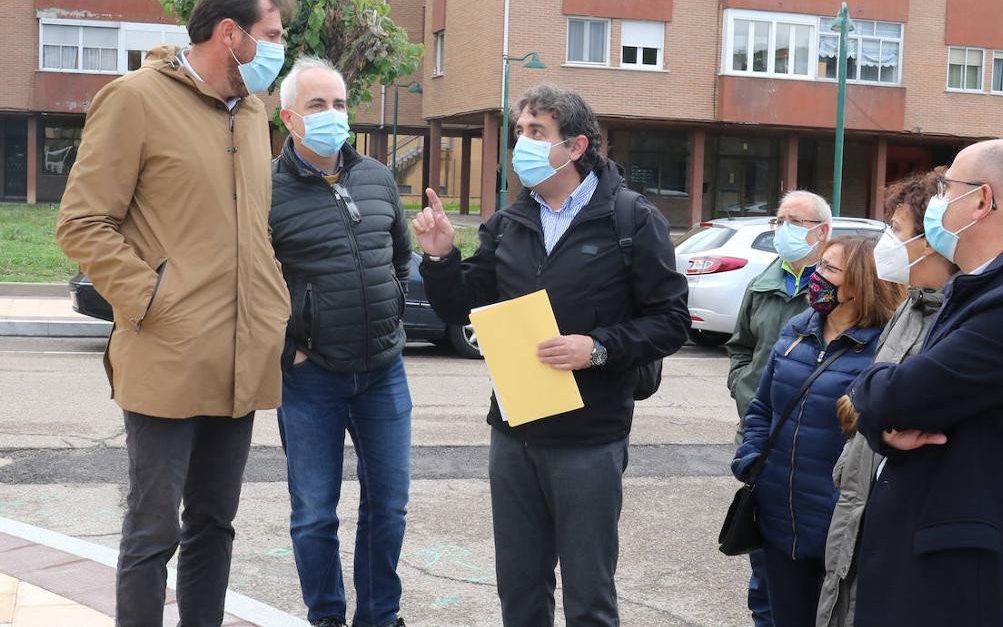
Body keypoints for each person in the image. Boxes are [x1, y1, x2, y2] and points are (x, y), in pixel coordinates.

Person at [55, 0, 294, 626]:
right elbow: (80, 222)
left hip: (241, 356)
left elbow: (252, 230)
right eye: (272, 36)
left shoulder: (252, 110)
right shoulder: (134, 100)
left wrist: (274, 315)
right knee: (152, 531)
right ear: (229, 34)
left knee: (215, 526)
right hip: (166, 352)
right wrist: (154, 301)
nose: (279, 50)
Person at [409, 83, 689, 627]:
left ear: (576, 147)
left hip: (589, 438)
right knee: (519, 590)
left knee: (588, 597)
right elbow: (463, 306)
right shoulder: (511, 222)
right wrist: (441, 257)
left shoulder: (632, 221)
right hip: (514, 433)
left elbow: (671, 321)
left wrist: (599, 347)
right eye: (520, 132)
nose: (523, 144)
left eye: (537, 133)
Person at [849, 139, 1003, 627]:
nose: (936, 200)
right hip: (942, 573)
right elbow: (903, 407)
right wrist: (885, 423)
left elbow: (895, 395)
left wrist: (877, 398)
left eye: (945, 188)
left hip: (969, 589)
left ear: (982, 201)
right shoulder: (984, 288)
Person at [268, 57, 412, 627]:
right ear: (289, 119)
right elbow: (250, 283)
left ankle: (380, 618)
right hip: (310, 379)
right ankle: (326, 616)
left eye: (340, 103)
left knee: (389, 509)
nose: (333, 116)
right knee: (313, 515)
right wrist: (288, 347)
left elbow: (401, 256)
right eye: (317, 105)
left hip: (383, 371)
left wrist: (393, 307)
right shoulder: (265, 189)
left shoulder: (376, 177)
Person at [731, 235, 905, 627]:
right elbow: (762, 407)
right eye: (819, 265)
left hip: (841, 524)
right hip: (780, 520)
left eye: (828, 269)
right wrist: (751, 460)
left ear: (860, 283)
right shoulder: (798, 329)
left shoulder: (885, 348)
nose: (816, 276)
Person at [815, 169, 957, 627]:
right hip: (857, 506)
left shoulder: (955, 320)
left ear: (934, 237)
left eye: (896, 231)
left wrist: (872, 410)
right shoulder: (912, 306)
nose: (886, 243)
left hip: (895, 522)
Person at [726, 190, 833, 627]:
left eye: (796, 221)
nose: (783, 229)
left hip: (814, 447)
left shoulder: (836, 289)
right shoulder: (764, 283)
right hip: (761, 441)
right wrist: (744, 389)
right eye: (780, 219)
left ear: (822, 232)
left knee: (814, 570)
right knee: (764, 569)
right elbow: (740, 349)